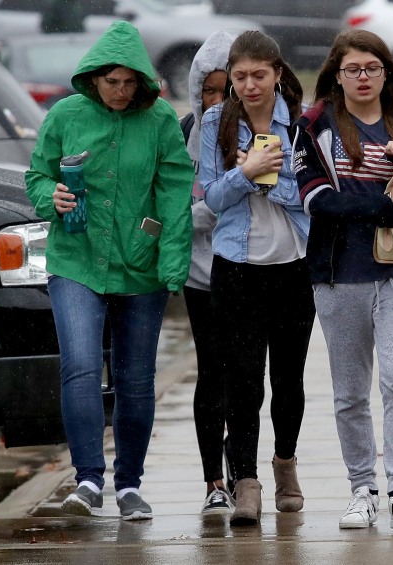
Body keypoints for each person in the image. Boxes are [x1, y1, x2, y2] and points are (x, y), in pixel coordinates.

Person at [25, 21, 194, 520]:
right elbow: (37, 175)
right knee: (80, 366)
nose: (121, 91)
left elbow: (175, 190)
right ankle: (87, 480)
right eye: (112, 82)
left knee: (136, 378)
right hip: (75, 259)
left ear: (143, 79)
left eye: (129, 82)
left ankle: (128, 485)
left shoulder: (161, 118)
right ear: (93, 78)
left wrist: (171, 262)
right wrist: (48, 197)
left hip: (139, 265)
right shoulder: (65, 115)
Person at [293, 29, 393, 530]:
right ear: (336, 75)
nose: (363, 78)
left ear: (386, 72)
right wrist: (372, 208)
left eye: (372, 68)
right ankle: (361, 489)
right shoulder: (315, 124)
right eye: (352, 70)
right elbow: (313, 197)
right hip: (338, 275)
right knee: (349, 391)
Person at [198, 30, 315, 526]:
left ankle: (285, 462)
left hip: (293, 267)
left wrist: (272, 175)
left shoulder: (303, 124)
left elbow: (313, 191)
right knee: (241, 380)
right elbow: (209, 199)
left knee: (288, 379)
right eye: (240, 76)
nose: (249, 85)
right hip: (236, 269)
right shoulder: (213, 123)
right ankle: (246, 480)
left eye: (258, 75)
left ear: (277, 74)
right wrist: (246, 173)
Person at [180, 30, 237, 515]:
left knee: (247, 376)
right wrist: (210, 206)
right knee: (211, 374)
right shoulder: (184, 134)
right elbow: (173, 207)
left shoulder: (259, 132)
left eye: (226, 90)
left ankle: (242, 468)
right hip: (200, 277)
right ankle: (213, 481)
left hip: (251, 271)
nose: (216, 101)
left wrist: (210, 204)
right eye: (209, 91)